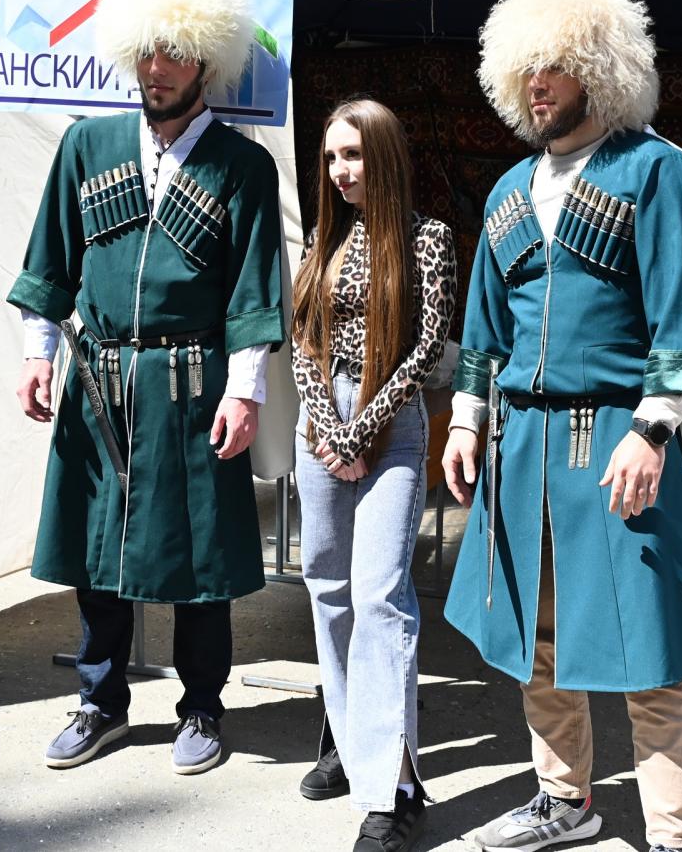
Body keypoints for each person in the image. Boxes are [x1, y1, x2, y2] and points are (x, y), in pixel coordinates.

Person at [440, 0, 682, 852]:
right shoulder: (507, 191)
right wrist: (466, 420)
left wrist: (654, 428)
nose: (539, 83)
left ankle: (674, 838)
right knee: (539, 641)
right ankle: (564, 801)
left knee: (651, 651)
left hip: (614, 436)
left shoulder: (656, 172)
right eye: (527, 66)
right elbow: (484, 326)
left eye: (558, 65)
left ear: (602, 68)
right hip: (521, 445)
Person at [9, 0, 284, 775]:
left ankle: (202, 705)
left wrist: (244, 392)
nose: (156, 68)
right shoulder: (86, 146)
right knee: (99, 547)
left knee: (200, 556)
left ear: (207, 62)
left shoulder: (241, 166)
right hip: (100, 380)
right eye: (147, 51)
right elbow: (49, 264)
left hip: (195, 384)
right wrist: (36, 354)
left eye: (175, 53)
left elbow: (253, 294)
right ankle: (100, 702)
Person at [290, 98, 456, 852]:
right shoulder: (323, 237)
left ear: (383, 156)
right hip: (323, 421)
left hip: (390, 425)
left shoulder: (428, 239)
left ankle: (392, 789)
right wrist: (329, 427)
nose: (339, 169)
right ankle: (350, 739)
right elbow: (303, 337)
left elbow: (427, 348)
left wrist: (362, 429)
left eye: (352, 154)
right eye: (330, 156)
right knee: (326, 588)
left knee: (380, 595)